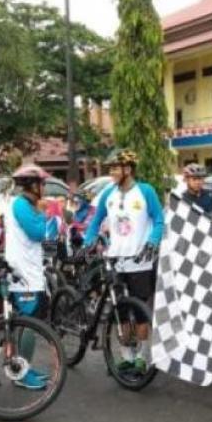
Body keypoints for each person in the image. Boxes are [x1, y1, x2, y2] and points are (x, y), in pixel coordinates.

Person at [83, 149, 164, 373]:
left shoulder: (145, 191)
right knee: (119, 311)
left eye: (115, 168)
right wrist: (89, 240)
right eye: (110, 169)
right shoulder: (108, 194)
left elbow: (159, 220)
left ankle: (142, 356)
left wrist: (153, 241)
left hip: (140, 260)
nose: (112, 173)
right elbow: (95, 220)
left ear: (128, 169)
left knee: (139, 312)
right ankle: (126, 356)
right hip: (115, 260)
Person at [4, 164, 56, 390]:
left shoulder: (23, 204)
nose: (44, 188)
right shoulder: (22, 205)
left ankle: (23, 366)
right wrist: (44, 212)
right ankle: (21, 374)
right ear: (33, 186)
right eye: (42, 184)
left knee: (30, 325)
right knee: (28, 325)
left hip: (29, 271)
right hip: (23, 274)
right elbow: (37, 233)